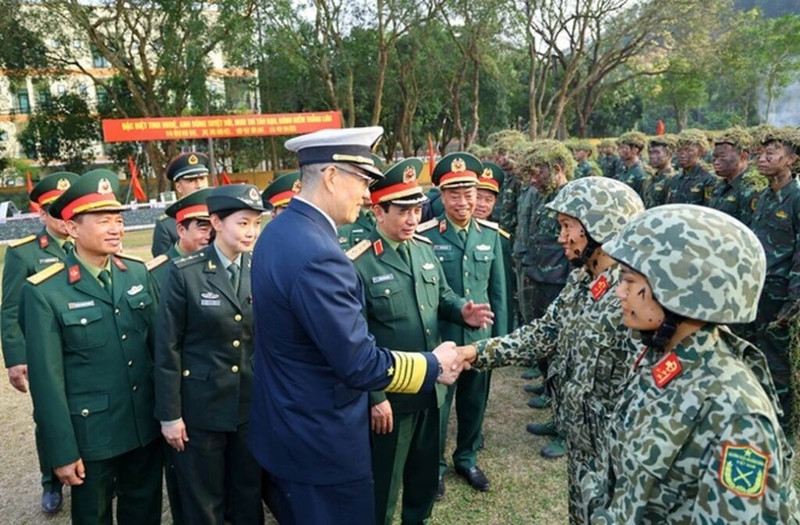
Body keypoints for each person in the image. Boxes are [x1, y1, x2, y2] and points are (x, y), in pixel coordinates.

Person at [248, 126, 466, 524]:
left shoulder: (279, 231)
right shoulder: (320, 254)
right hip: (322, 443)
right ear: (331, 176)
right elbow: (359, 363)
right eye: (363, 182)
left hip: (287, 429)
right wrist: (433, 365)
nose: (367, 195)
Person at [590, 204, 799, 523]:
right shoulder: (665, 357)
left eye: (629, 281)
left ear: (678, 289)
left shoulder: (737, 417)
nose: (619, 292)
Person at [457, 177, 644, 524]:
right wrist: (474, 353)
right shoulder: (582, 280)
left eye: (567, 227)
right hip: (582, 446)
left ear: (600, 227)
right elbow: (544, 333)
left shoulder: (635, 297)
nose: (560, 237)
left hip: (617, 458)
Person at [351, 158, 493, 525]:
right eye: (402, 211)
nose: (412, 219)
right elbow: (356, 339)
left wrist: (462, 311)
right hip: (392, 396)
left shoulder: (423, 248)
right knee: (384, 482)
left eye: (416, 210)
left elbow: (442, 297)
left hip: (433, 387)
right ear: (378, 211)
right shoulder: (359, 263)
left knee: (425, 476)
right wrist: (375, 398)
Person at [21, 169, 162, 524]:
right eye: (102, 221)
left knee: (144, 510)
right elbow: (47, 383)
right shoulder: (45, 292)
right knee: (92, 516)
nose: (115, 229)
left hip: (143, 425)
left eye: (118, 220)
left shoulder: (137, 273)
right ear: (72, 228)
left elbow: (159, 351)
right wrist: (62, 450)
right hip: (91, 435)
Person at [155, 184, 265, 524]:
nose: (251, 232)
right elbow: (168, 347)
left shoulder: (260, 268)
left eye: (256, 223)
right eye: (243, 223)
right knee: (204, 503)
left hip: (248, 406)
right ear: (216, 223)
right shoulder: (185, 272)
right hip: (201, 409)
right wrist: (170, 416)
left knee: (248, 495)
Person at [417, 152, 508, 498]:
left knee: (474, 403)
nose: (463, 202)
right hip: (442, 339)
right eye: (454, 195)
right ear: (441, 197)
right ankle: (435, 467)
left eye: (468, 194)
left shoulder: (490, 234)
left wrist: (499, 342)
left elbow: (498, 293)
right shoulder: (426, 236)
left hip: (479, 339)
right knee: (439, 407)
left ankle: (467, 459)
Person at [2, 171, 78, 515]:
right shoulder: (24, 253)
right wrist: (15, 358)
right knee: (49, 415)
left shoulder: (88, 244)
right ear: (42, 214)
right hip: (46, 353)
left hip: (85, 347)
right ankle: (51, 482)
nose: (63, 216)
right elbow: (11, 309)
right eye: (54, 210)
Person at [738, 127, 800, 437]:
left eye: (771, 153)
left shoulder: (796, 198)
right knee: (750, 355)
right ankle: (757, 419)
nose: (762, 159)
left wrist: (793, 300)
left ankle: (784, 430)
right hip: (755, 290)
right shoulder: (763, 196)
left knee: (776, 363)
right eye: (760, 154)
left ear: (792, 159)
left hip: (779, 293)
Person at [519, 140, 575, 458]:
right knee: (548, 351)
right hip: (543, 281)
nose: (532, 180)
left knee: (565, 359)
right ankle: (556, 414)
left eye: (537, 173)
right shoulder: (548, 198)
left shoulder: (572, 199)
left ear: (556, 169)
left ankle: (567, 432)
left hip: (561, 285)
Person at [148, 188, 214, 290]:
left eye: (214, 230)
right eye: (203, 229)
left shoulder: (221, 264)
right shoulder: (157, 273)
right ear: (181, 231)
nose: (209, 236)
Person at [151, 152, 211, 256]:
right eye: (191, 180)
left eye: (202, 179)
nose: (199, 185)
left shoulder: (220, 214)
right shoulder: (167, 225)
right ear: (179, 187)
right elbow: (163, 263)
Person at [707, 127, 762, 226]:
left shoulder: (752, 189)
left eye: (722, 157)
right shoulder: (720, 185)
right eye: (715, 157)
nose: (716, 162)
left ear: (743, 156)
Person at [339, 154, 384, 248]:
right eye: (364, 185)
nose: (368, 192)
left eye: (374, 186)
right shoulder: (344, 218)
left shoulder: (384, 214)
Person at [664, 129, 719, 205]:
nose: (682, 154)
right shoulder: (675, 179)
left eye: (688, 150)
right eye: (679, 150)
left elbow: (709, 207)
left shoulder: (709, 179)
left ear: (701, 151)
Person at [642, 135, 677, 208]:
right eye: (650, 153)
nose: (652, 156)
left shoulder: (674, 180)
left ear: (669, 154)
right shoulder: (649, 180)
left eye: (657, 152)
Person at [614, 132, 650, 199]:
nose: (619, 151)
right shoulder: (625, 170)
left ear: (635, 150)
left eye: (623, 148)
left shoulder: (641, 174)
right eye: (619, 148)